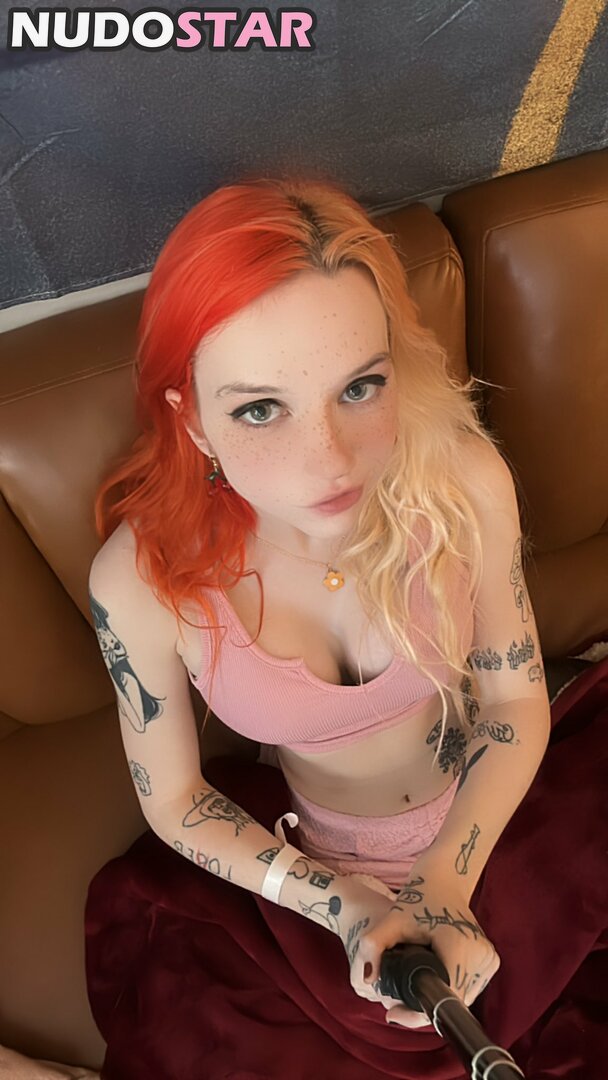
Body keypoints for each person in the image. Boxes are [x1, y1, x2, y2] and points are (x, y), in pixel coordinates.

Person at [88, 176, 551, 1035]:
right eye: (261, 409)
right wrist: (343, 904)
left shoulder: (462, 482)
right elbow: (175, 796)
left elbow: (515, 701)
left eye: (360, 388)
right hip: (314, 869)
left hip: (495, 812)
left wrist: (445, 882)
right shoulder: (141, 582)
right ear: (193, 422)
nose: (330, 460)